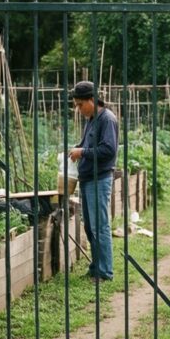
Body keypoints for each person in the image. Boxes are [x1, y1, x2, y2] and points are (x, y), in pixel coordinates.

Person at [69, 81, 118, 283]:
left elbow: (108, 150)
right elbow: (88, 144)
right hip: (88, 179)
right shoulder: (91, 119)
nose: (78, 109)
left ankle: (105, 272)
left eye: (81, 104)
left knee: (100, 226)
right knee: (90, 227)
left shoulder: (107, 119)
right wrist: (77, 148)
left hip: (100, 179)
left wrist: (83, 152)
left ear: (92, 100)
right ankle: (96, 266)